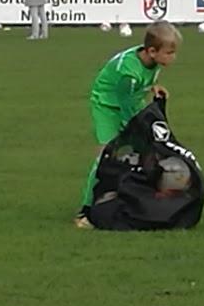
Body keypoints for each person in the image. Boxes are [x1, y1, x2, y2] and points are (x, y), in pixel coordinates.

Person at [76, 21, 180, 228]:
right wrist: (135, 127)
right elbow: (125, 103)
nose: (173, 58)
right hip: (107, 106)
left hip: (129, 101)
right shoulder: (128, 72)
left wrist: (152, 87)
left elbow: (137, 90)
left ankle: (128, 200)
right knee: (106, 155)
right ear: (152, 51)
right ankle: (86, 211)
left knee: (136, 153)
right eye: (169, 53)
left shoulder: (152, 63)